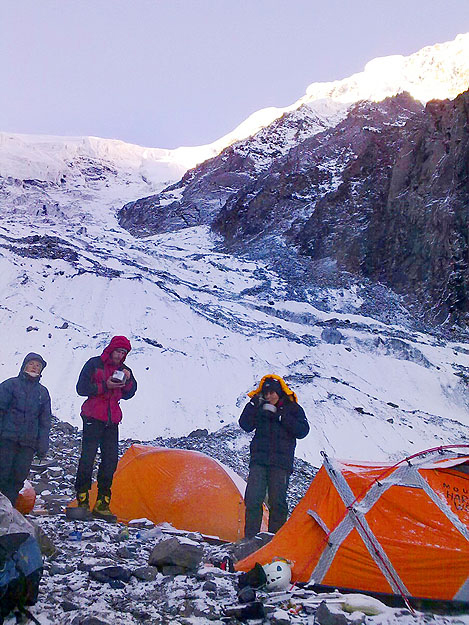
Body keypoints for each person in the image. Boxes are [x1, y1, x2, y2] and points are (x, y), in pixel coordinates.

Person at [74, 336, 137, 521]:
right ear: (111, 350)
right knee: (88, 458)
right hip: (93, 416)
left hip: (112, 420)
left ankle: (103, 503)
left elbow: (130, 393)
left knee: (110, 461)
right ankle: (83, 500)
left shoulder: (124, 370)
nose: (120, 355)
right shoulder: (94, 364)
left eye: (123, 353)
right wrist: (105, 386)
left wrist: (127, 380)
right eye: (118, 351)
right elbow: (81, 388)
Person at [239, 375, 309, 538]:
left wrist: (280, 416)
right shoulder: (260, 406)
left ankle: (274, 541)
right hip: (259, 461)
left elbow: (302, 431)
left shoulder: (293, 408)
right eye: (266, 393)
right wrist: (253, 404)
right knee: (253, 498)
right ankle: (251, 540)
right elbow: (245, 424)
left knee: (277, 502)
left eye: (272, 393)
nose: (269, 396)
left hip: (281, 463)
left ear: (279, 392)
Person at [0, 353, 51, 506]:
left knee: (18, 478)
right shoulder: (10, 385)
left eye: (38, 366)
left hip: (28, 443)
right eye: (32, 364)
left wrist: (42, 445)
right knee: (2, 473)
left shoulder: (43, 393)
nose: (35, 367)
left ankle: (7, 511)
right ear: (24, 366)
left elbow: (44, 421)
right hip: (6, 439)